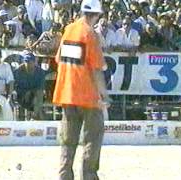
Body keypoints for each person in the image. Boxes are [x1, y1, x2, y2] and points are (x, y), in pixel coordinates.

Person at [52, 0, 110, 179]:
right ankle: (89, 176)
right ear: (97, 15)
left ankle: (64, 175)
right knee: (92, 139)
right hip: (88, 97)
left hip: (67, 94)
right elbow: (96, 69)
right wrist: (104, 96)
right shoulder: (90, 34)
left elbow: (58, 59)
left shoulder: (69, 30)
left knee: (68, 141)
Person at [14, 51, 46, 120]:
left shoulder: (40, 72)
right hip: (22, 96)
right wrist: (25, 92)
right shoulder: (18, 71)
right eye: (26, 61)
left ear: (34, 62)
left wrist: (30, 92)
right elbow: (16, 87)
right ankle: (24, 120)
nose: (28, 63)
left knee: (38, 95)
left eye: (30, 61)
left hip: (36, 96)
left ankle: (35, 116)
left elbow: (40, 88)